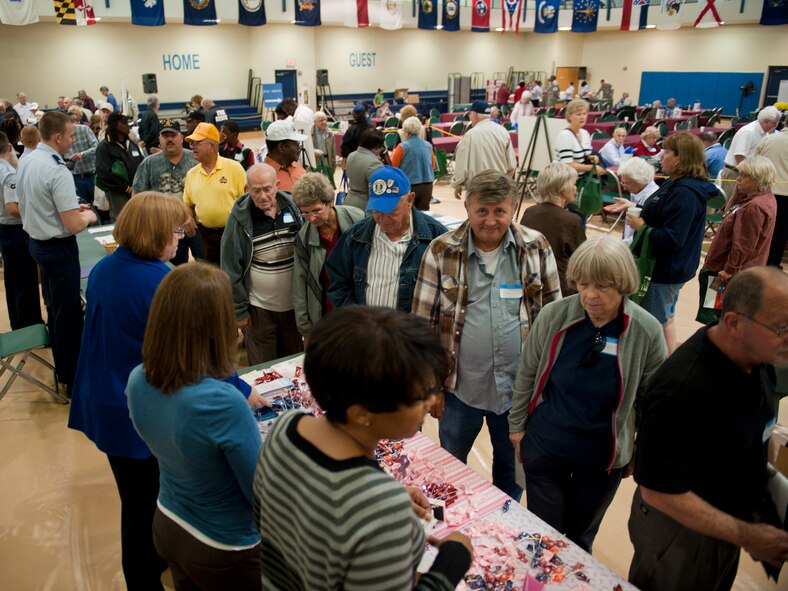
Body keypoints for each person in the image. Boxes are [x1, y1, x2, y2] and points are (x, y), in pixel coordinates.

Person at [254, 306, 473, 589]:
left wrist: (377, 499)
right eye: (419, 395)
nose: (431, 402)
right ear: (361, 413)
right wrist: (452, 560)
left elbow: (276, 519)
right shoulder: (380, 509)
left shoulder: (287, 426)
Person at [628, 267, 788, 591]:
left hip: (728, 522)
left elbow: (759, 433)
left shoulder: (762, 362)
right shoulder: (679, 389)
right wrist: (747, 535)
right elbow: (658, 491)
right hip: (681, 534)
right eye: (782, 328)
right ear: (734, 323)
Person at [509, 235, 666, 553]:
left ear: (623, 284)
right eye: (582, 284)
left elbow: (654, 403)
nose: (590, 296)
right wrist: (517, 427)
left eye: (602, 286)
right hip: (546, 446)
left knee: (580, 538)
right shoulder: (555, 316)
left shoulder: (646, 331)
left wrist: (639, 451)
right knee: (543, 535)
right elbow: (527, 372)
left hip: (601, 460)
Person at [67, 194, 192, 591]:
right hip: (134, 414)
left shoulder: (107, 267)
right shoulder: (157, 281)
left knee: (135, 501)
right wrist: (239, 389)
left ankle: (152, 564)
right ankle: (144, 578)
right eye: (174, 231)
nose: (178, 239)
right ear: (155, 234)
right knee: (144, 508)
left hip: (104, 400)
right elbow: (187, 357)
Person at [412, 170, 560, 499]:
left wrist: (548, 387)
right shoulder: (441, 251)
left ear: (513, 207)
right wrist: (431, 386)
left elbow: (554, 321)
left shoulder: (536, 247)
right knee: (452, 469)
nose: (491, 221)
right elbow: (421, 328)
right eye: (482, 211)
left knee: (514, 475)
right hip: (458, 391)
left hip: (519, 395)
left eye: (499, 211)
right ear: (467, 207)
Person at [127, 263, 264, 591]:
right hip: (225, 547)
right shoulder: (222, 402)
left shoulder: (138, 378)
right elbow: (261, 492)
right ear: (216, 326)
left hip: (169, 523)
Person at [16, 111, 97, 396]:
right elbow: (73, 224)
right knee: (69, 315)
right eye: (72, 135)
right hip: (57, 248)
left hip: (36, 243)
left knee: (55, 308)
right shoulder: (56, 168)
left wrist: (73, 211)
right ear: (59, 136)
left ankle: (65, 369)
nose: (74, 141)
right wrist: (87, 217)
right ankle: (73, 380)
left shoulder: (27, 160)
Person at [626, 132, 717, 354]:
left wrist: (642, 228)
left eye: (667, 152)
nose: (661, 156)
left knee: (650, 326)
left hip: (665, 269)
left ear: (680, 158)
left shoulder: (685, 192)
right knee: (665, 319)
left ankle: (651, 372)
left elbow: (673, 238)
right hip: (671, 268)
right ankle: (664, 365)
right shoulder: (677, 184)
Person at [327, 166, 447, 312]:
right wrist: (356, 320)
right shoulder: (355, 236)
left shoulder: (436, 237)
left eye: (391, 211)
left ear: (410, 200)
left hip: (412, 333)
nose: (382, 218)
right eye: (376, 210)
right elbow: (338, 283)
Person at [221, 163, 304, 365]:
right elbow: (230, 267)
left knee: (293, 362)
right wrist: (239, 311)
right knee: (262, 367)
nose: (263, 195)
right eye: (256, 190)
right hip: (259, 309)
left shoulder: (294, 208)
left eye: (267, 189)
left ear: (276, 185)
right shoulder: (239, 219)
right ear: (247, 190)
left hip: (294, 306)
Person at [292, 173, 364, 338]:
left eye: (316, 210)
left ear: (330, 201)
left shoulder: (358, 220)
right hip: (327, 314)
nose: (311, 218)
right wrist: (306, 330)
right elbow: (300, 283)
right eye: (305, 213)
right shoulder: (303, 239)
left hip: (359, 311)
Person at [132, 119, 201, 265]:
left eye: (173, 135)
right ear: (159, 139)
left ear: (181, 137)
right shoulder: (149, 163)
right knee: (172, 272)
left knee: (206, 266)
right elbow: (137, 198)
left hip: (196, 227)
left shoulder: (196, 160)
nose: (169, 139)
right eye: (165, 136)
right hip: (165, 231)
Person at [703, 155, 777, 289]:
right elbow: (726, 214)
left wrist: (729, 269)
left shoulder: (754, 206)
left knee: (712, 308)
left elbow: (744, 244)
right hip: (736, 271)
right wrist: (737, 192)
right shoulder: (764, 197)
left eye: (744, 175)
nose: (738, 179)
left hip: (726, 273)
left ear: (758, 178)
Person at [183, 122, 246, 264]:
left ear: (213, 145)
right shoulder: (191, 174)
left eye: (197, 142)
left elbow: (246, 203)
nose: (192, 146)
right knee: (209, 278)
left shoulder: (234, 169)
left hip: (232, 234)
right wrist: (187, 217)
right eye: (191, 143)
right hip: (204, 237)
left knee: (233, 275)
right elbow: (188, 204)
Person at [520, 162, 585, 295]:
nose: (576, 188)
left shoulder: (529, 212)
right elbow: (583, 261)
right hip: (559, 288)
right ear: (563, 191)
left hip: (530, 282)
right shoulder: (571, 221)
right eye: (573, 184)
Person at [0, 131, 43, 330]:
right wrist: (33, 213)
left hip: (6, 230)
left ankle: (19, 321)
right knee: (24, 280)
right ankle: (29, 326)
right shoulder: (8, 173)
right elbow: (11, 207)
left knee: (14, 280)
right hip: (14, 231)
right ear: (9, 148)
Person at [451, 100, 516, 200]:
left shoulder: (470, 135)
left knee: (479, 214)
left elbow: (461, 166)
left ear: (474, 114)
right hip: (499, 187)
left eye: (469, 114)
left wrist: (457, 185)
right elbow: (511, 165)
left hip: (477, 189)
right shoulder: (503, 131)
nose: (469, 117)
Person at [721, 106, 781, 200]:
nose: (776, 126)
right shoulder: (748, 131)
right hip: (736, 173)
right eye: (775, 123)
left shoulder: (766, 134)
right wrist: (750, 174)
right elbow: (739, 156)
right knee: (730, 204)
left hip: (746, 174)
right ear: (766, 121)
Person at [95, 113, 144, 220]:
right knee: (122, 220)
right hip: (118, 193)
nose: (127, 125)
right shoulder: (104, 147)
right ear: (114, 125)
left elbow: (142, 165)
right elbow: (104, 174)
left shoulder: (132, 144)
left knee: (139, 219)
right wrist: (125, 188)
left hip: (137, 191)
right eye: (124, 123)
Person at [604, 157, 660, 244]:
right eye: (622, 182)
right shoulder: (637, 190)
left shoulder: (653, 197)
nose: (624, 187)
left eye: (627, 183)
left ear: (640, 181)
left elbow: (640, 235)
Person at [756, 123, 788, 267]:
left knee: (760, 233)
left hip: (764, 193)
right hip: (785, 196)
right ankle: (772, 267)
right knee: (780, 236)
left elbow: (755, 162)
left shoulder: (769, 139)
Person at [391, 116, 435, 211]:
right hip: (427, 186)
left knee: (408, 215)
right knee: (424, 215)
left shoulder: (401, 147)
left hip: (410, 186)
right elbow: (433, 165)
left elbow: (393, 168)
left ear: (405, 131)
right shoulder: (428, 146)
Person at [555, 99, 606, 177]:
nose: (582, 117)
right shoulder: (565, 136)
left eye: (584, 114)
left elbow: (586, 154)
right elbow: (568, 165)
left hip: (581, 179)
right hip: (565, 180)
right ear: (569, 116)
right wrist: (591, 168)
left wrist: (592, 158)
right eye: (578, 114)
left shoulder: (585, 133)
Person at [64, 107, 99, 207]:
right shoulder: (62, 135)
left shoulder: (84, 129)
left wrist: (83, 154)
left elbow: (97, 147)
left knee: (99, 206)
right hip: (76, 178)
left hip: (91, 175)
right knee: (83, 206)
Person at [343, 128, 385, 210]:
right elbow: (379, 192)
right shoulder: (375, 163)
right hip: (366, 206)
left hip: (349, 201)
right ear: (377, 147)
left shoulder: (351, 155)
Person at [263, 119, 307, 192]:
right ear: (281, 147)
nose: (299, 147)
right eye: (296, 143)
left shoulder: (298, 168)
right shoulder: (261, 179)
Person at [311, 110, 336, 186]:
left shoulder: (330, 133)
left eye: (325, 119)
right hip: (315, 162)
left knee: (327, 185)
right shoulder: (310, 133)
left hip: (327, 162)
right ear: (315, 122)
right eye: (321, 120)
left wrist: (333, 166)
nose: (324, 122)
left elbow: (333, 152)